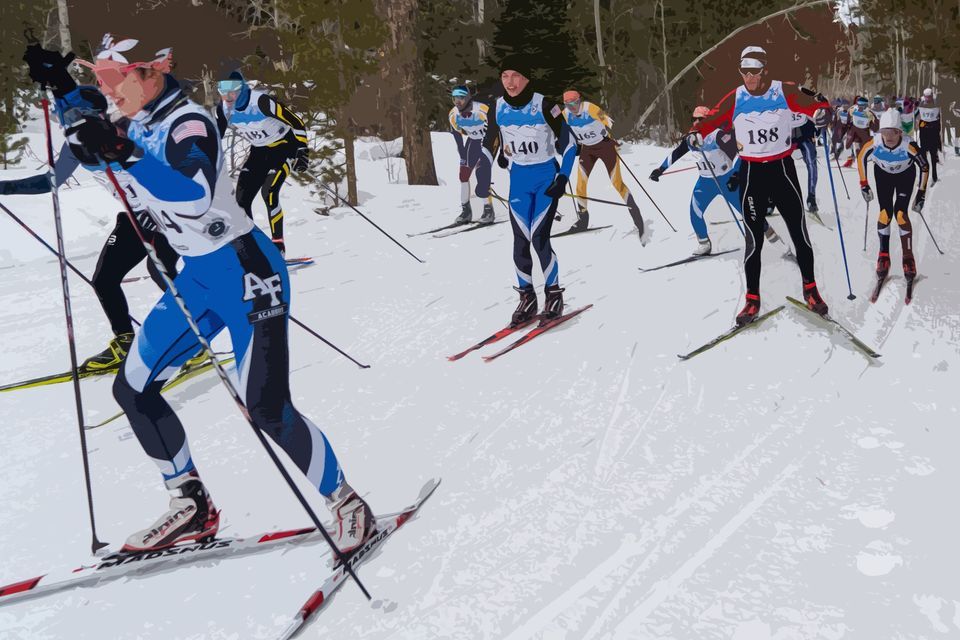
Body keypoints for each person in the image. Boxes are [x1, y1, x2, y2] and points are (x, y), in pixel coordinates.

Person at [69, 34, 373, 553]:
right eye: (98, 79)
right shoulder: (135, 121)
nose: (106, 89)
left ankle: (346, 502)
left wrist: (122, 151)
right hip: (199, 277)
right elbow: (103, 163)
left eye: (112, 79)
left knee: (266, 408)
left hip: (248, 271)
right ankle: (190, 504)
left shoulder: (190, 122)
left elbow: (192, 194)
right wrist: (72, 109)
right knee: (133, 389)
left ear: (149, 74)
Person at [16, 44, 179, 373]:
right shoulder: (77, 142)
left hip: (168, 215)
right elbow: (49, 181)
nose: (70, 123)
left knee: (161, 271)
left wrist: (63, 82)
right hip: (135, 219)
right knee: (104, 279)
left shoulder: (119, 127)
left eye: (77, 117)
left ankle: (190, 333)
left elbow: (83, 107)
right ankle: (126, 342)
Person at [692, 45, 831, 326]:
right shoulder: (736, 97)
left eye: (754, 71)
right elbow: (712, 119)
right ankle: (752, 299)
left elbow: (816, 106)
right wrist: (696, 132)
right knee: (753, 239)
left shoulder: (784, 91)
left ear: (764, 69)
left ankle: (811, 289)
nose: (749, 77)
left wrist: (823, 112)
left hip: (782, 170)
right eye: (744, 71)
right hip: (752, 173)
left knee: (799, 232)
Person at [481, 54, 577, 326]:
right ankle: (527, 297)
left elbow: (570, 145)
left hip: (546, 178)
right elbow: (489, 142)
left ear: (526, 79)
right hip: (518, 181)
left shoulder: (545, 105)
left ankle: (553, 293)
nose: (510, 82)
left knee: (539, 238)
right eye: (505, 76)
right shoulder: (497, 107)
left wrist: (562, 177)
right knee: (520, 240)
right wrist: (493, 162)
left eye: (515, 76)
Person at [215, 70, 309, 256]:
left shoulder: (261, 102)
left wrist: (303, 150)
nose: (227, 97)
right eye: (222, 91)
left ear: (241, 90)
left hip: (284, 147)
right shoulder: (224, 108)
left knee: (270, 192)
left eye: (232, 92)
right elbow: (215, 137)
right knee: (241, 202)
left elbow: (296, 122)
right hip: (259, 152)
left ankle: (278, 247)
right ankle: (252, 249)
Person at [650, 106, 741, 255]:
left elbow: (739, 152)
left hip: (726, 179)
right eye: (695, 119)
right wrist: (660, 170)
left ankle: (769, 235)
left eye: (701, 119)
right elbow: (676, 153)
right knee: (695, 213)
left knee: (747, 211)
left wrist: (736, 174)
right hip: (705, 182)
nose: (697, 122)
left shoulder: (717, 135)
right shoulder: (691, 138)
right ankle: (704, 244)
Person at [856, 108, 929, 285]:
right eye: (885, 132)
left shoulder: (908, 145)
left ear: (900, 132)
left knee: (901, 214)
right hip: (883, 176)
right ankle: (883, 254)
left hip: (905, 176)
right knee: (885, 214)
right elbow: (860, 158)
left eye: (893, 132)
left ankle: (908, 257)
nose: (888, 137)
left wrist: (921, 193)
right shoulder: (874, 143)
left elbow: (924, 167)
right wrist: (864, 184)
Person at [560, 89, 645, 235]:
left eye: (574, 103)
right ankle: (583, 220)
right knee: (580, 185)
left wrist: (613, 133)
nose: (572, 107)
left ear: (579, 100)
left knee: (617, 183)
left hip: (605, 146)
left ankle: (637, 217)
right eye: (568, 105)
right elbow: (554, 126)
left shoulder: (590, 108)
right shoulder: (565, 114)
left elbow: (610, 122)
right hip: (587, 149)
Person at [448, 84, 494, 224]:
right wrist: (461, 150)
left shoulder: (482, 109)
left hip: (489, 140)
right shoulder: (453, 114)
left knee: (481, 172)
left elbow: (495, 127)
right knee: (463, 175)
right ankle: (466, 211)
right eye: (455, 98)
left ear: (468, 98)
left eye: (461, 98)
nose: (458, 101)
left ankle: (488, 209)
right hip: (473, 140)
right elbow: (456, 133)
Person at [790, 108, 820, 213]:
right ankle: (772, 199)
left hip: (805, 134)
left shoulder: (804, 96)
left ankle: (811, 197)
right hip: (786, 135)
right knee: (777, 165)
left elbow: (818, 110)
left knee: (812, 164)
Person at [842, 96, 877, 167]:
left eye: (863, 105)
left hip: (864, 134)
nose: (861, 107)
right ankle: (857, 161)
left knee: (863, 149)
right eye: (860, 105)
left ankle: (863, 160)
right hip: (856, 134)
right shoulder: (852, 109)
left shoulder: (869, 112)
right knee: (856, 149)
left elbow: (874, 124)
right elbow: (847, 120)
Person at [916, 88, 941, 183]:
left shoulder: (936, 103)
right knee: (923, 158)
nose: (928, 99)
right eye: (926, 97)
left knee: (933, 155)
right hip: (924, 133)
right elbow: (916, 114)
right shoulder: (921, 103)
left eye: (929, 97)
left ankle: (934, 174)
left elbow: (939, 117)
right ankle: (923, 175)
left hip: (933, 133)